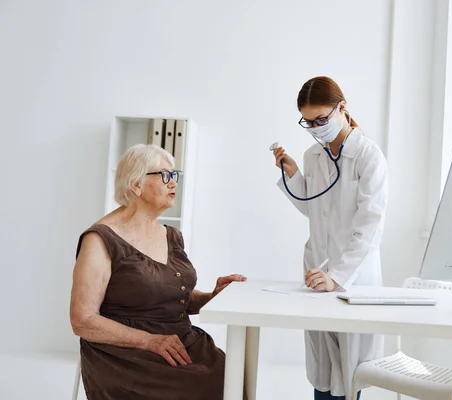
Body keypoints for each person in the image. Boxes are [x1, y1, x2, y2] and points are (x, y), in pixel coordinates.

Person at [70, 143, 246, 400]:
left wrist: (212, 296)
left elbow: (170, 296)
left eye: (174, 175)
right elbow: (82, 320)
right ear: (136, 184)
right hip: (125, 352)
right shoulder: (100, 239)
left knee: (233, 378)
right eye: (164, 175)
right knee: (203, 388)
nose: (173, 183)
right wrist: (149, 341)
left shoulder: (171, 235)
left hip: (179, 341)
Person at [272, 76, 389, 400]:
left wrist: (337, 277)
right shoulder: (313, 155)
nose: (315, 126)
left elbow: (370, 228)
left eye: (321, 119)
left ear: (342, 108)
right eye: (308, 121)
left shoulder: (369, 156)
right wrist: (293, 173)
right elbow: (313, 207)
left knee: (351, 374)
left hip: (354, 276)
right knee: (323, 372)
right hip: (318, 271)